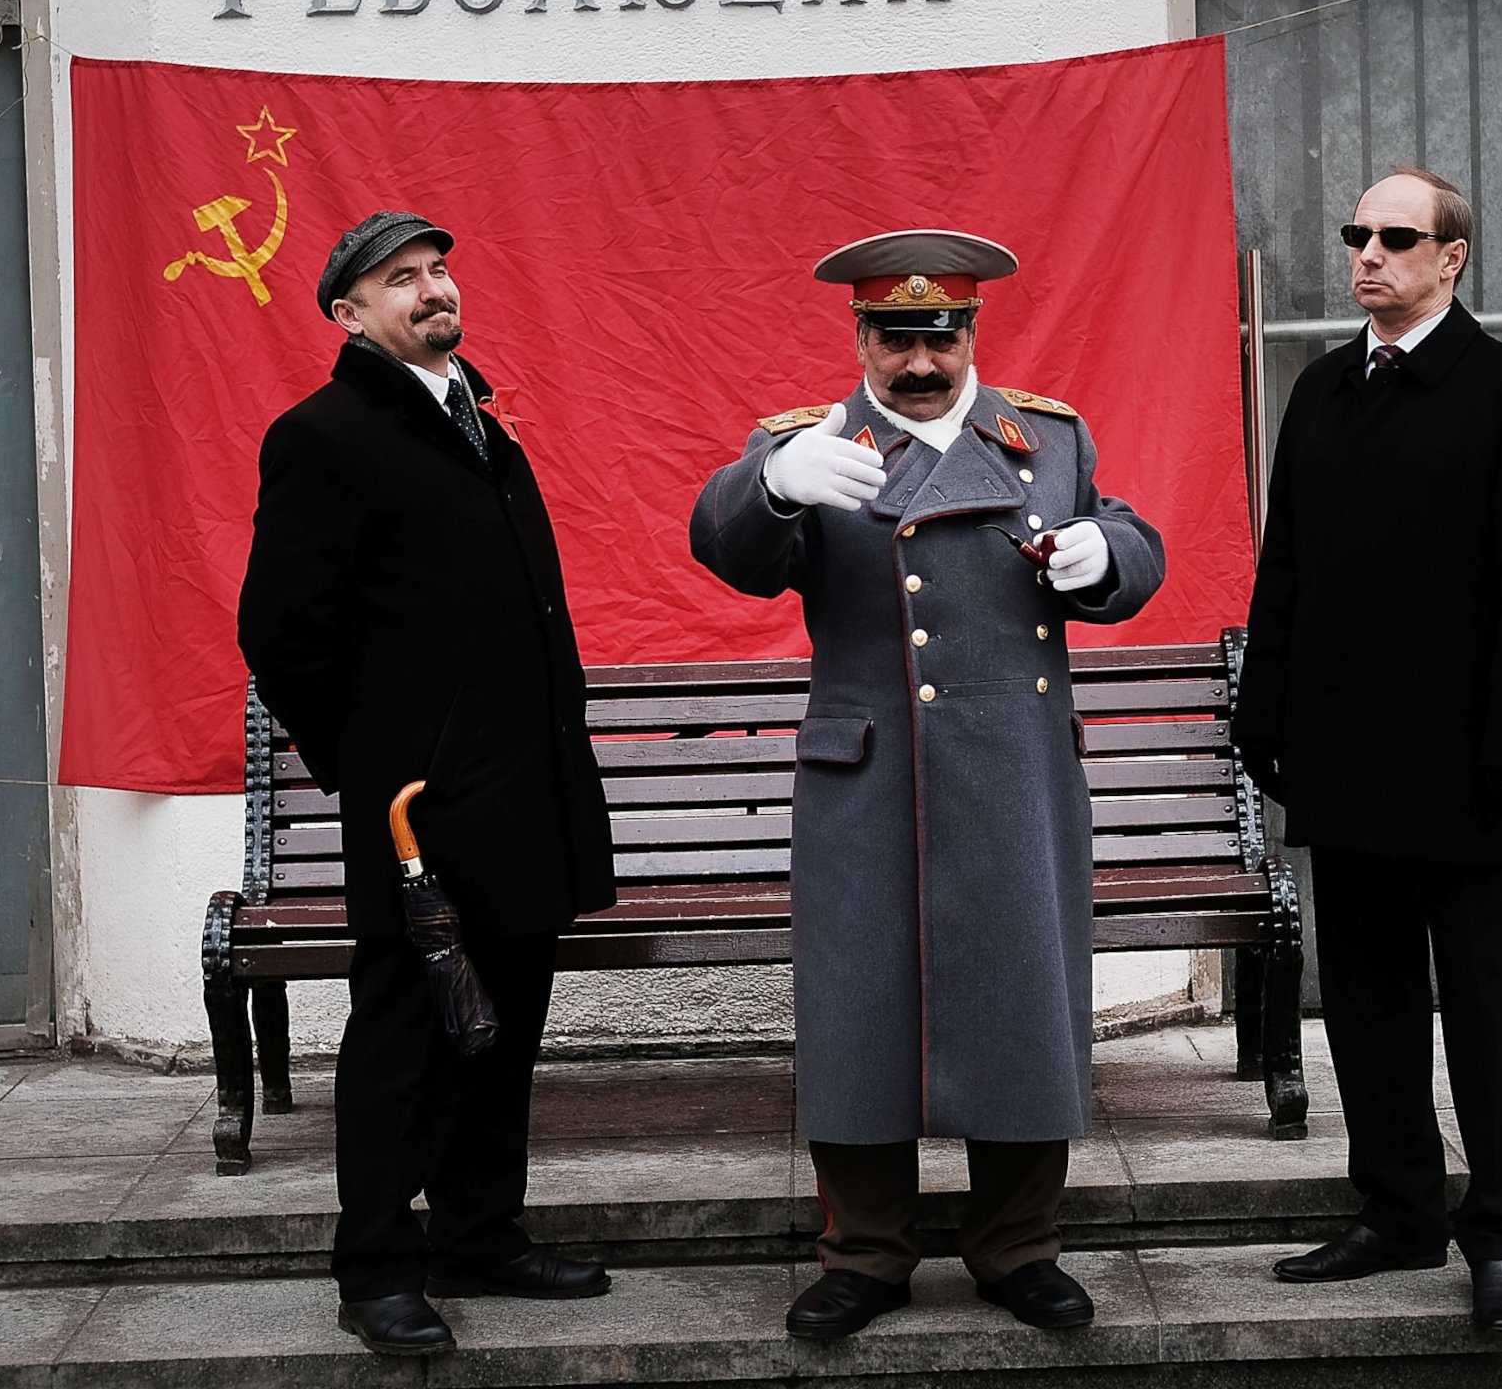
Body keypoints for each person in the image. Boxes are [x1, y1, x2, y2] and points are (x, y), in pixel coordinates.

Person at [691, 230, 1166, 1340]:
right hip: (865, 778)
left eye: (939, 335)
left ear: (972, 333)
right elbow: (724, 545)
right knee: (859, 1013)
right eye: (894, 336)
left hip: (1011, 772)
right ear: (857, 335)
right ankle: (865, 1253)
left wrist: (1109, 551)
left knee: (1021, 1004)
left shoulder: (1046, 438)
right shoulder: (812, 447)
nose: (918, 360)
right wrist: (769, 484)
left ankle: (1018, 1246)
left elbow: (1131, 538)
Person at [237, 209, 618, 1358]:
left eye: (439, 270)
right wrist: (374, 764)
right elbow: (281, 630)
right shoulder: (326, 435)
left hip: (521, 792)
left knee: (502, 1028)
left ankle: (479, 1236)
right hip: (416, 810)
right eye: (399, 280)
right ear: (349, 315)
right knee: (404, 1038)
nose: (431, 289)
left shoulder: (481, 427)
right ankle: (377, 1267)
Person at [1231, 167, 1502, 1334]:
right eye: (1356, 235)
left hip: (1467, 766)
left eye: (1396, 237)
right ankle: (1395, 1210)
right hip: (1343, 757)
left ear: (1452, 259)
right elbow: (1285, 572)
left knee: (1483, 1004)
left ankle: (1501, 1237)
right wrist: (1264, 717)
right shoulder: (1323, 392)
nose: (1368, 254)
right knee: (1371, 1001)